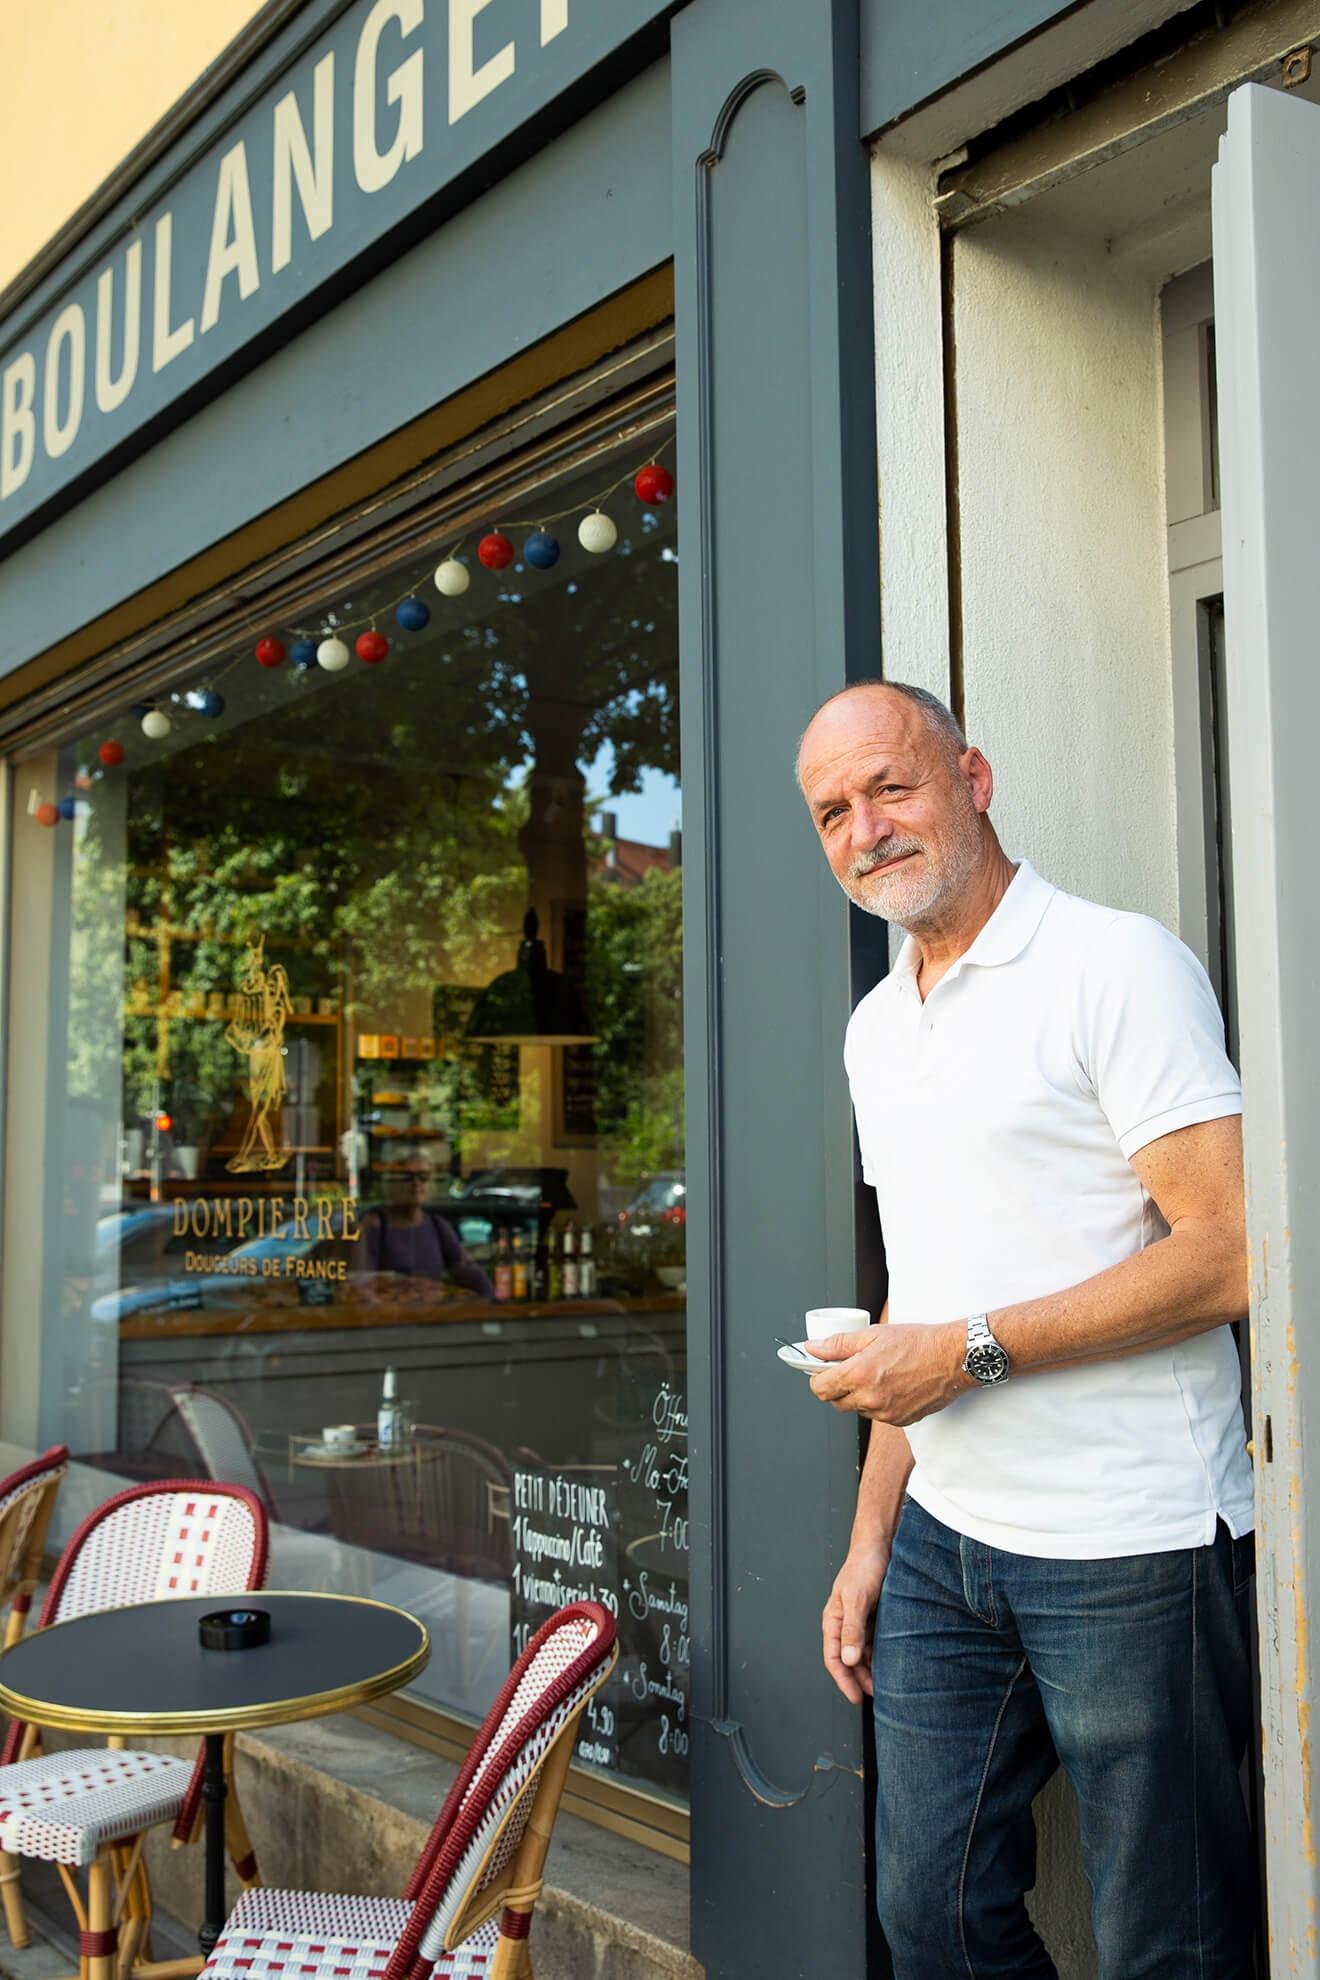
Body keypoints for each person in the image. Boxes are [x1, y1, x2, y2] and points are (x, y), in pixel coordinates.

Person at [796, 679, 1254, 1980]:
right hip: (945, 1547)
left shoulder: (1116, 966)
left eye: (891, 786)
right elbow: (921, 1291)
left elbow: (1231, 1253)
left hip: (1135, 1543)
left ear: (973, 779)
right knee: (930, 1922)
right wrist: (871, 1540)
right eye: (833, 811)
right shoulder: (878, 1030)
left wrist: (967, 1353)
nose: (867, 830)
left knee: (1170, 1944)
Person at [357, 1156, 495, 1298]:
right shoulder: (375, 1225)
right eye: (407, 1177)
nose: (416, 1183)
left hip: (431, 1310)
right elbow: (362, 1283)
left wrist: (493, 1300)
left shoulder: (438, 1225)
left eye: (424, 1177)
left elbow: (468, 1271)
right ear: (391, 1183)